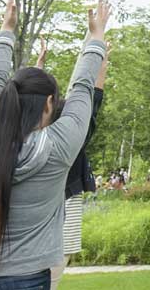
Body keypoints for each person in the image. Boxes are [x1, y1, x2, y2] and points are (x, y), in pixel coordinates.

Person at [0, 0, 112, 290]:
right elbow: (83, 88)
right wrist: (95, 38)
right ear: (49, 104)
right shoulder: (58, 147)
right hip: (26, 278)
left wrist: (7, 29)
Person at [45, 41, 110, 286]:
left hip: (56, 207)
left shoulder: (35, 143)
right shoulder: (71, 141)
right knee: (53, 272)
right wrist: (101, 67)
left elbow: (94, 101)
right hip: (65, 204)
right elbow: (94, 101)